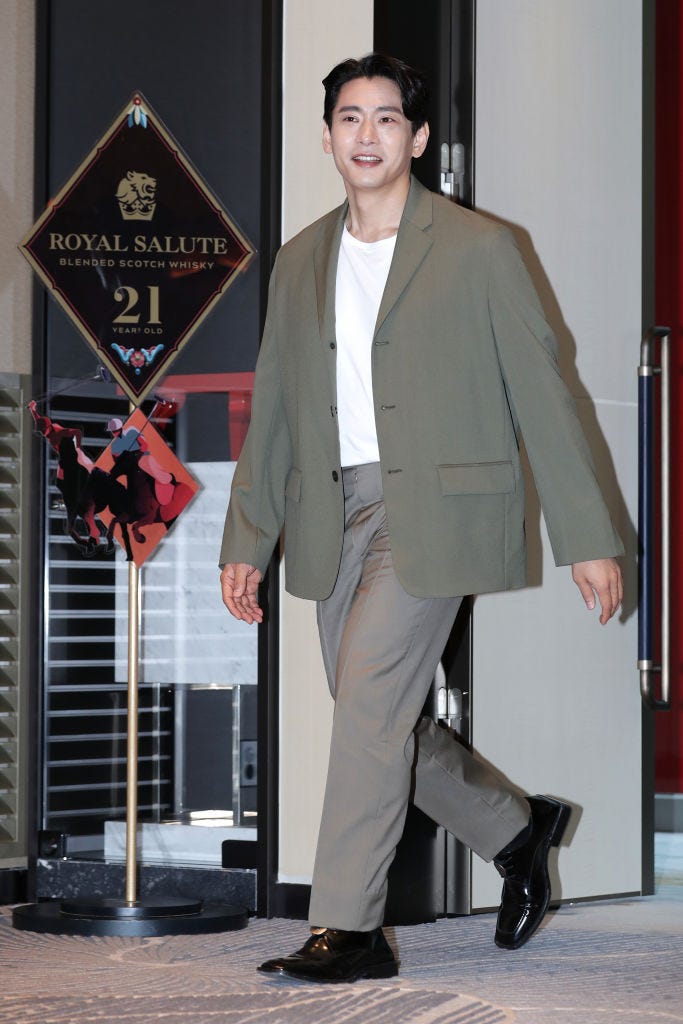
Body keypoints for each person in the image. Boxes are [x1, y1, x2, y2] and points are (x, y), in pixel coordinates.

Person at [219, 53, 624, 983]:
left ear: (419, 137)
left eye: (387, 119)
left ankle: (348, 930)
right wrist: (247, 538)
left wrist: (588, 537)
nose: (367, 135)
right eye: (350, 119)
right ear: (327, 137)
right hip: (334, 508)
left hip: (433, 510)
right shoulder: (300, 259)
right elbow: (275, 406)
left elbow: (545, 394)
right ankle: (517, 829)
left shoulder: (479, 248)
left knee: (367, 707)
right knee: (380, 716)